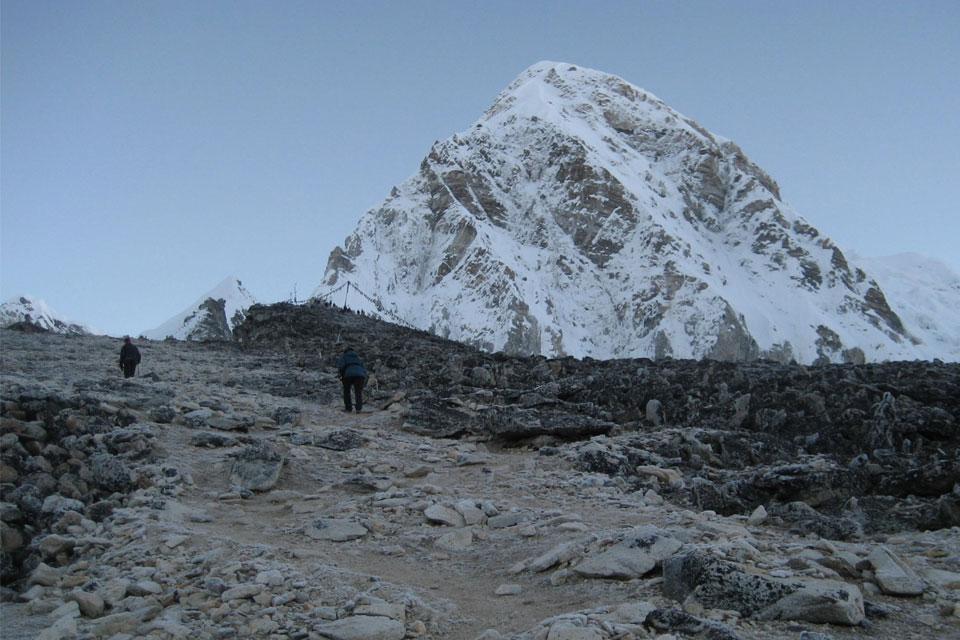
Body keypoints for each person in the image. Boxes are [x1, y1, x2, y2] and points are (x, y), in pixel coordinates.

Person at [336, 347, 367, 413]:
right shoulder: (358, 357)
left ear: (345, 351)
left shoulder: (344, 356)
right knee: (358, 392)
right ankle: (358, 409)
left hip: (348, 375)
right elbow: (363, 368)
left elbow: (341, 366)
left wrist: (341, 375)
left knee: (347, 391)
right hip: (360, 376)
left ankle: (348, 408)